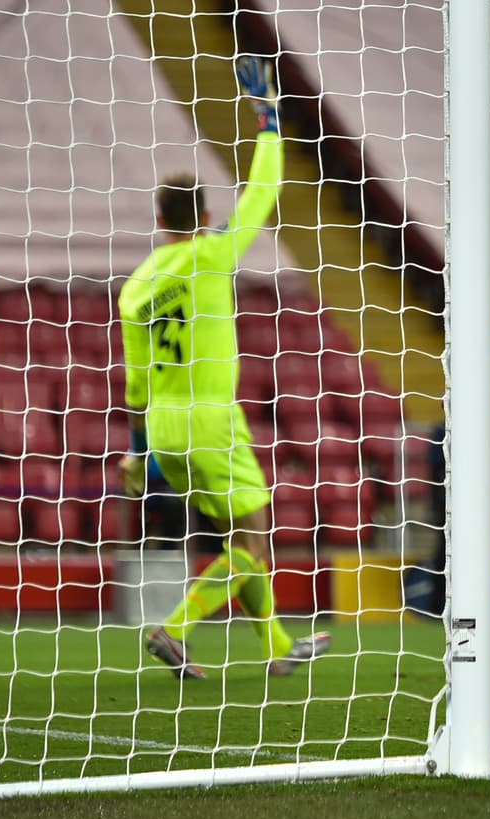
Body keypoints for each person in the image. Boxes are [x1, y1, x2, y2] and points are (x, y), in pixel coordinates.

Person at [119, 57, 329, 679]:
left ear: (159, 222)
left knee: (237, 538)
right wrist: (268, 120)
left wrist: (137, 453)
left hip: (163, 429)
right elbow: (262, 195)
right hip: (213, 419)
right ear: (203, 218)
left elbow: (134, 387)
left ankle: (277, 649)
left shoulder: (133, 291)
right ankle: (173, 629)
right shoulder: (210, 255)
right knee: (253, 533)